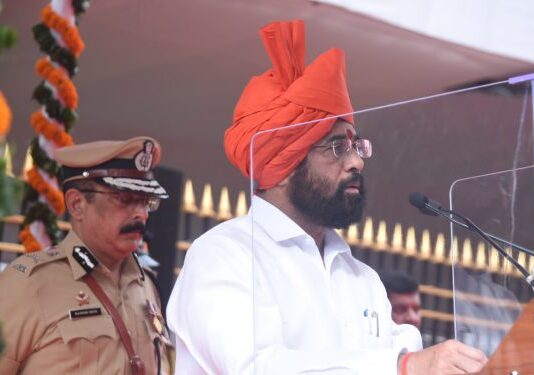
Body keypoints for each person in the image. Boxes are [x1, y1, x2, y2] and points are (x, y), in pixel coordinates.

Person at [167, 20, 487, 374]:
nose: (356, 162)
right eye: (337, 147)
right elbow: (256, 367)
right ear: (284, 164)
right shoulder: (223, 255)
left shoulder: (362, 278)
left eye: (356, 145)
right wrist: (403, 366)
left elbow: (404, 356)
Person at [0, 137, 173, 374]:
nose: (141, 214)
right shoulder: (29, 283)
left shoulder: (147, 286)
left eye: (146, 202)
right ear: (76, 204)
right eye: (124, 199)